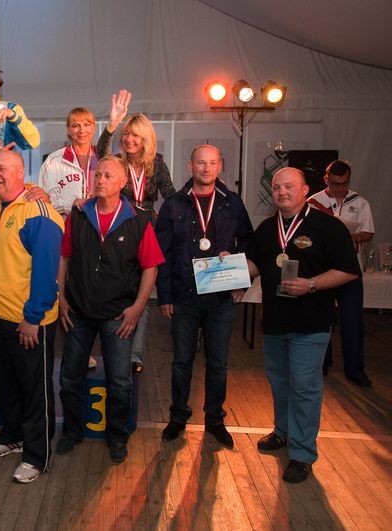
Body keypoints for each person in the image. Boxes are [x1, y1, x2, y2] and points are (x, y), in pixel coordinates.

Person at [245, 167, 360, 483]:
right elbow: (254, 264)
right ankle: (282, 432)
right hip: (274, 323)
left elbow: (349, 270)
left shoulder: (328, 227)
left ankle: (302, 454)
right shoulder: (267, 229)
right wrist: (228, 267)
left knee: (305, 387)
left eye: (289, 186)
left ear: (306, 189)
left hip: (312, 323)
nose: (282, 192)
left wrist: (311, 284)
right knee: (280, 382)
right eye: (277, 187)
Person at [56, 156, 164, 464]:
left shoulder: (138, 221)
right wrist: (61, 298)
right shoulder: (78, 216)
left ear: (123, 183)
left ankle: (117, 435)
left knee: (119, 381)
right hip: (78, 311)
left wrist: (137, 308)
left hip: (118, 315)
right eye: (98, 174)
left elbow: (151, 267)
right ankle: (72, 431)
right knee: (70, 377)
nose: (101, 180)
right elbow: (64, 258)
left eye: (108, 176)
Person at [155, 144, 253, 448]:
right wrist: (165, 296)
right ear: (190, 166)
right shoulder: (173, 204)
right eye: (201, 163)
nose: (206, 168)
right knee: (181, 361)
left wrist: (241, 277)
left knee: (218, 362)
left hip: (220, 297)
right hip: (184, 296)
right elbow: (162, 254)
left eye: (212, 163)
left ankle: (215, 420)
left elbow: (248, 243)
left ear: (220, 166)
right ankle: (178, 417)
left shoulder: (232, 203)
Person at [0, 150, 63, 484]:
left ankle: (37, 456)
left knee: (34, 391)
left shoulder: (38, 213)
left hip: (28, 322)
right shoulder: (1, 205)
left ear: (21, 173)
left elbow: (46, 273)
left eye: (3, 169)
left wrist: (32, 317)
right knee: (7, 384)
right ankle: (13, 436)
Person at [98, 90, 176, 370]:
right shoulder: (118, 162)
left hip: (148, 231)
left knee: (142, 293)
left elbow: (171, 196)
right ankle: (114, 349)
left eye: (135, 135)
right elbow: (100, 152)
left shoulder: (157, 164)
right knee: (120, 290)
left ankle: (135, 355)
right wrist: (112, 124)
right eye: (126, 134)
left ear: (146, 139)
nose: (129, 139)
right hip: (121, 229)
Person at [38, 106, 100, 370]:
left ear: (94, 128)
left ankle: (86, 348)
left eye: (86, 124)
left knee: (89, 291)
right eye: (75, 125)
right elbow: (42, 200)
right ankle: (71, 350)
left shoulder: (104, 158)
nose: (81, 130)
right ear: (68, 130)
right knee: (63, 291)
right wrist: (69, 204)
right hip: (64, 234)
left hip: (97, 236)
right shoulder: (54, 161)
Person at [306, 160, 374, 386]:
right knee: (322, 319)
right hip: (323, 269)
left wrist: (349, 236)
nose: (340, 189)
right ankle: (322, 365)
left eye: (344, 184)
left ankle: (355, 371)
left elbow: (368, 233)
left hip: (350, 269)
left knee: (353, 321)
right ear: (326, 180)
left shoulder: (360, 202)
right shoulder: (313, 203)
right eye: (335, 184)